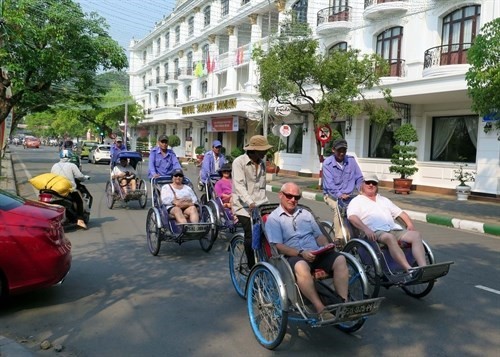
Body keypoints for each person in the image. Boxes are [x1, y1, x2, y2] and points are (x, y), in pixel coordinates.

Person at [265, 182, 349, 319]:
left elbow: (319, 235)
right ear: (281, 195)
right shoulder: (274, 219)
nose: (293, 200)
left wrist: (326, 245)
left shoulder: (306, 214)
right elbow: (278, 246)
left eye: (296, 197)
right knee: (301, 266)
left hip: (316, 252)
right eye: (289, 196)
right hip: (293, 255)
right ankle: (320, 308)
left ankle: (342, 303)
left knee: (340, 259)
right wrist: (300, 253)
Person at [347, 174, 427, 277]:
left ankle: (423, 268)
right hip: (374, 232)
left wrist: (409, 224)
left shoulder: (383, 200)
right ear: (362, 185)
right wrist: (366, 229)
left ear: (377, 186)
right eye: (368, 183)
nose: (371, 185)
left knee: (416, 235)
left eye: (374, 183)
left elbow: (400, 213)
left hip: (392, 228)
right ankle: (409, 269)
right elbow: (352, 217)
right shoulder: (357, 201)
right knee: (389, 237)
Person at [232, 135, 272, 269]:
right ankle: (252, 267)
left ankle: (266, 260)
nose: (266, 152)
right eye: (263, 150)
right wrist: (250, 202)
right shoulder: (239, 162)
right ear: (254, 150)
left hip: (261, 204)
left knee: (269, 231)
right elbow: (239, 186)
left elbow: (262, 187)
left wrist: (265, 204)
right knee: (250, 235)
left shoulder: (262, 163)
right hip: (243, 206)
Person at [322, 138, 364, 241]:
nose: (341, 153)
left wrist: (361, 189)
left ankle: (361, 234)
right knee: (338, 208)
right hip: (332, 195)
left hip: (349, 196)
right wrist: (340, 194)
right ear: (333, 150)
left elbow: (359, 177)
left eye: (344, 150)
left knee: (361, 209)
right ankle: (339, 238)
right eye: (339, 150)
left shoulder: (351, 161)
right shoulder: (327, 164)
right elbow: (330, 185)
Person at [51, 149, 89, 229]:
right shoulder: (72, 165)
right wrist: (84, 178)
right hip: (69, 189)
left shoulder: (55, 165)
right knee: (79, 201)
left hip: (55, 190)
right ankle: (80, 220)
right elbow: (79, 176)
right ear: (70, 157)